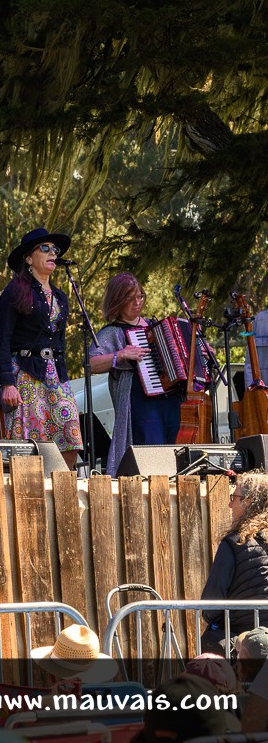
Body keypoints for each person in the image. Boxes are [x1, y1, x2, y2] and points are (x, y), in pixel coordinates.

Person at [88, 273, 194, 477]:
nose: (137, 303)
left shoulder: (156, 328)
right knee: (151, 454)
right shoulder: (112, 332)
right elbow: (91, 364)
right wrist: (120, 355)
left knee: (175, 453)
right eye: (130, 298)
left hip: (171, 401)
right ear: (117, 301)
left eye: (140, 297)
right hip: (140, 404)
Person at [0, 227, 82, 468]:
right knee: (31, 440)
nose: (52, 252)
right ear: (28, 258)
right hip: (26, 372)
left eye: (55, 249)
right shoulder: (15, 290)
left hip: (56, 372)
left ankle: (64, 485)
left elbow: (60, 340)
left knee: (70, 435)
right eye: (44, 248)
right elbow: (3, 339)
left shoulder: (61, 296)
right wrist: (7, 383)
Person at [200, 472, 268, 654]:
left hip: (243, 642)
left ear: (248, 501)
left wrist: (214, 620)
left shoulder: (234, 542)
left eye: (234, 498)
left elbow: (210, 605)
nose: (230, 504)